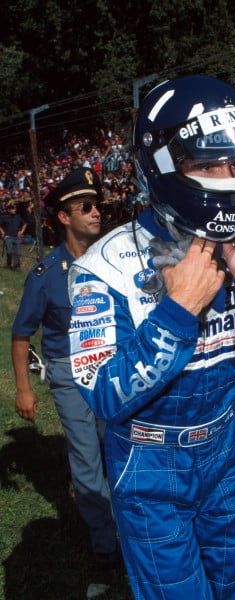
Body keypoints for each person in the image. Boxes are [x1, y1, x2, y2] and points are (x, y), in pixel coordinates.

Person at [67, 75, 235, 599]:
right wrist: (177, 312)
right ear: (163, 165)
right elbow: (102, 393)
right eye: (207, 164)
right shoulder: (104, 267)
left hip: (226, 449)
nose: (227, 177)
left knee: (227, 587)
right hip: (150, 466)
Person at [11, 168, 119, 579]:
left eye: (98, 207)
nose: (96, 214)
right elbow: (21, 336)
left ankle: (130, 526)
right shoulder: (45, 276)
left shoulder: (112, 262)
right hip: (68, 373)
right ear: (63, 217)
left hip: (110, 369)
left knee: (118, 447)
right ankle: (106, 547)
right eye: (86, 207)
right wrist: (24, 388)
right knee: (86, 459)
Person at [0, 200, 27, 270]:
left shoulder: (18, 216)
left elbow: (25, 223)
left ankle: (16, 266)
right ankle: (8, 264)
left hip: (16, 237)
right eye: (12, 209)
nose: (14, 210)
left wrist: (21, 231)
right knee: (9, 251)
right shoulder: (4, 217)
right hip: (8, 237)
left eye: (14, 209)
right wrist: (2, 231)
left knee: (17, 252)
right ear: (8, 210)